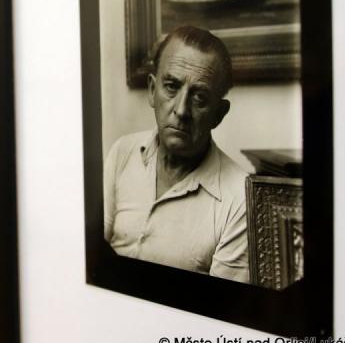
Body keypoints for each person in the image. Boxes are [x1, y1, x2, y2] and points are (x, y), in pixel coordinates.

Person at [103, 25, 249, 283]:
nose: (181, 110)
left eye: (199, 97)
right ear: (152, 90)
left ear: (219, 114)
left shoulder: (241, 198)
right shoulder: (122, 152)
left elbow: (223, 303)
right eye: (171, 86)